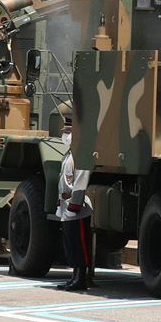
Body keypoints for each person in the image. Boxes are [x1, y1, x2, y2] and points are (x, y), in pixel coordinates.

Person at [54, 119, 94, 291]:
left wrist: (74, 206)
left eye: (69, 133)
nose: (65, 135)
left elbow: (80, 182)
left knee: (80, 244)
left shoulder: (81, 155)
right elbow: (62, 181)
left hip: (77, 207)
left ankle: (81, 278)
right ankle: (74, 276)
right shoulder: (68, 155)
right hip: (66, 205)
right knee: (69, 243)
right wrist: (59, 204)